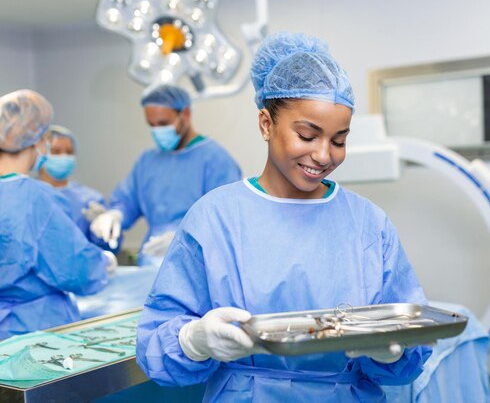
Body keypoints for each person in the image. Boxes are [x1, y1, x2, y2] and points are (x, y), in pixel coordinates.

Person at [136, 32, 432, 402]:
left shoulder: (368, 224)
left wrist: (396, 351)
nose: (324, 155)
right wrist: (193, 340)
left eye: (339, 140)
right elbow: (155, 339)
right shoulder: (215, 218)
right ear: (266, 124)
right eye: (308, 135)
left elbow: (410, 340)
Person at [0, 89, 116, 340]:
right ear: (37, 140)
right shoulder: (34, 198)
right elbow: (75, 269)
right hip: (33, 334)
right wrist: (104, 263)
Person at [89, 85, 242, 266]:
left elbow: (225, 221)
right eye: (151, 125)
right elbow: (128, 200)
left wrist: (186, 240)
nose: (157, 131)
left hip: (198, 265)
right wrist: (115, 215)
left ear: (185, 114)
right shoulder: (148, 161)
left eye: (163, 124)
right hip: (149, 263)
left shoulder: (215, 160)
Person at [38, 124, 110, 243]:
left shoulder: (90, 200)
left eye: (69, 152)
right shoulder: (27, 195)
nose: (64, 157)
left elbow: (107, 247)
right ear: (39, 155)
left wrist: (101, 229)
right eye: (56, 152)